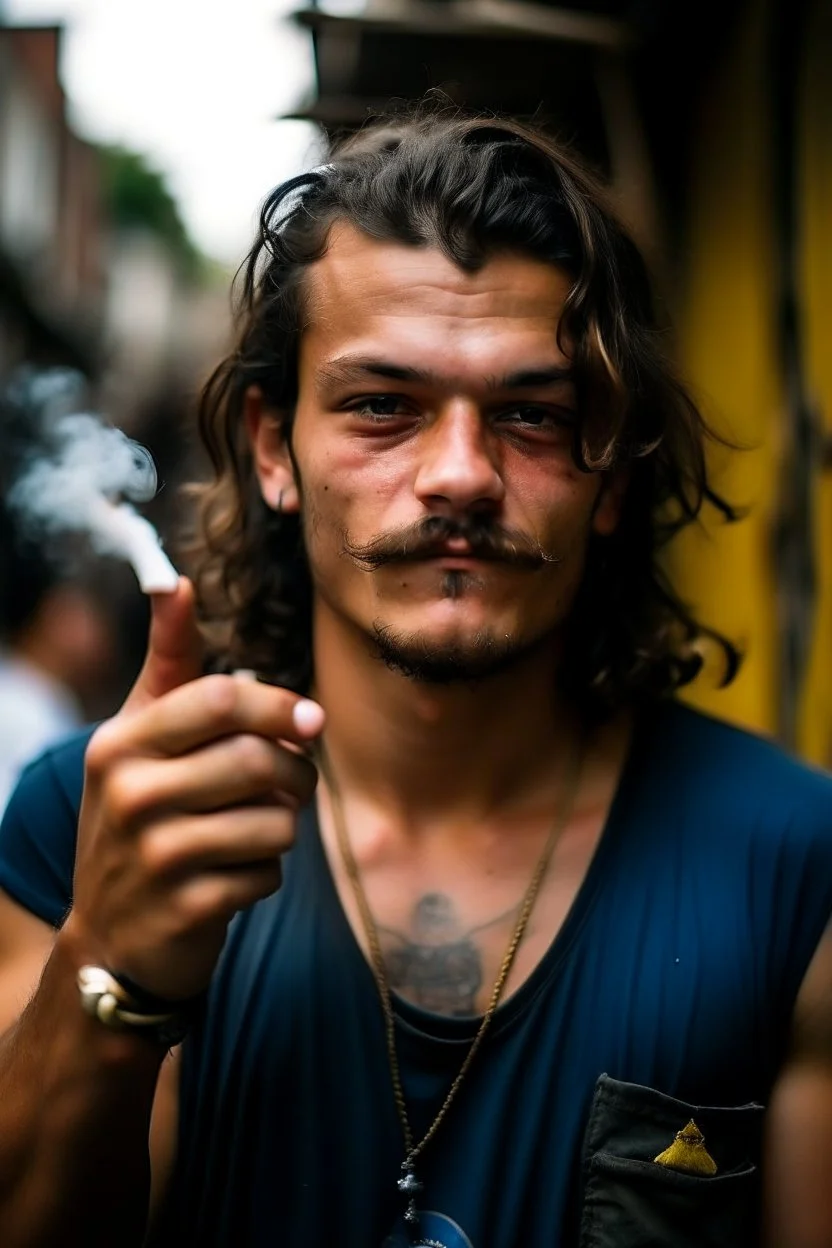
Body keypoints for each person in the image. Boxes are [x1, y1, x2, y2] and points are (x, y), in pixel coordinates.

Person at [0, 107, 829, 1248]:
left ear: (616, 475)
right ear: (269, 448)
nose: (459, 475)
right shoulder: (92, 818)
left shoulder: (794, 869)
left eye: (532, 415)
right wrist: (115, 972)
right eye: (382, 406)